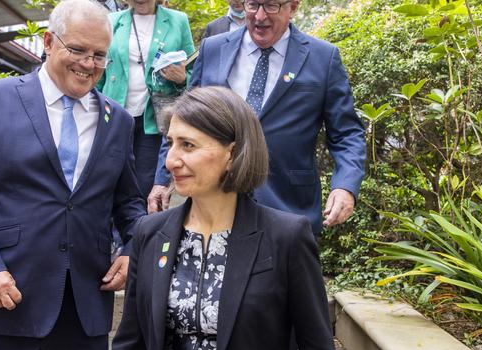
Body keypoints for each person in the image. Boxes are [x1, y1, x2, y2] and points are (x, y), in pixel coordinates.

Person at [0, 0, 145, 350]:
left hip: (84, 313)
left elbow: (128, 203)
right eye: (77, 49)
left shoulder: (120, 121)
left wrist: (131, 250)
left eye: (99, 55)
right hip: (2, 300)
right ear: (48, 42)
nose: (88, 64)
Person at [110, 86, 337, 350]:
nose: (171, 161)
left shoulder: (286, 237)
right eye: (171, 143)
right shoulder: (150, 233)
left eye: (188, 145)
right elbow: (129, 346)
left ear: (232, 153)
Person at [148, 0, 366, 236]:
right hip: (213, 204)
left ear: (293, 7)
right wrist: (162, 179)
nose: (260, 16)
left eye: (271, 6)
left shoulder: (323, 57)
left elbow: (346, 133)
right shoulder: (213, 48)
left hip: (287, 206)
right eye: (253, 5)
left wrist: (345, 186)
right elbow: (183, 120)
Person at [98, 0, 195, 200]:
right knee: (109, 179)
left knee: (144, 184)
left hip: (154, 117)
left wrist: (183, 78)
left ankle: (139, 229)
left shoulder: (178, 21)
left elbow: (194, 70)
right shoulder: (112, 20)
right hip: (113, 113)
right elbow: (99, 68)